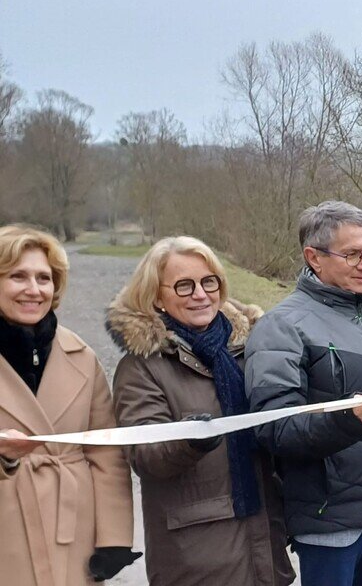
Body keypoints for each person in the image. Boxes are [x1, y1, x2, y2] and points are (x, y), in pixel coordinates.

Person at [246, 201, 362, 586]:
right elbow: (275, 428)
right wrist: (348, 421)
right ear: (314, 257)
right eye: (352, 254)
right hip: (331, 523)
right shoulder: (281, 327)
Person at [107, 236, 295, 585]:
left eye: (209, 281)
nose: (200, 294)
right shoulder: (142, 368)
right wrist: (191, 438)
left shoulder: (248, 348)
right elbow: (145, 455)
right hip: (195, 554)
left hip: (264, 542)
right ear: (156, 297)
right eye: (183, 286)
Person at [0, 225, 138, 585]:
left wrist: (114, 540)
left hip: (72, 532)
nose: (34, 289)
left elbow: (107, 454)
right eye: (18, 276)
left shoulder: (82, 356)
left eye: (44, 278)